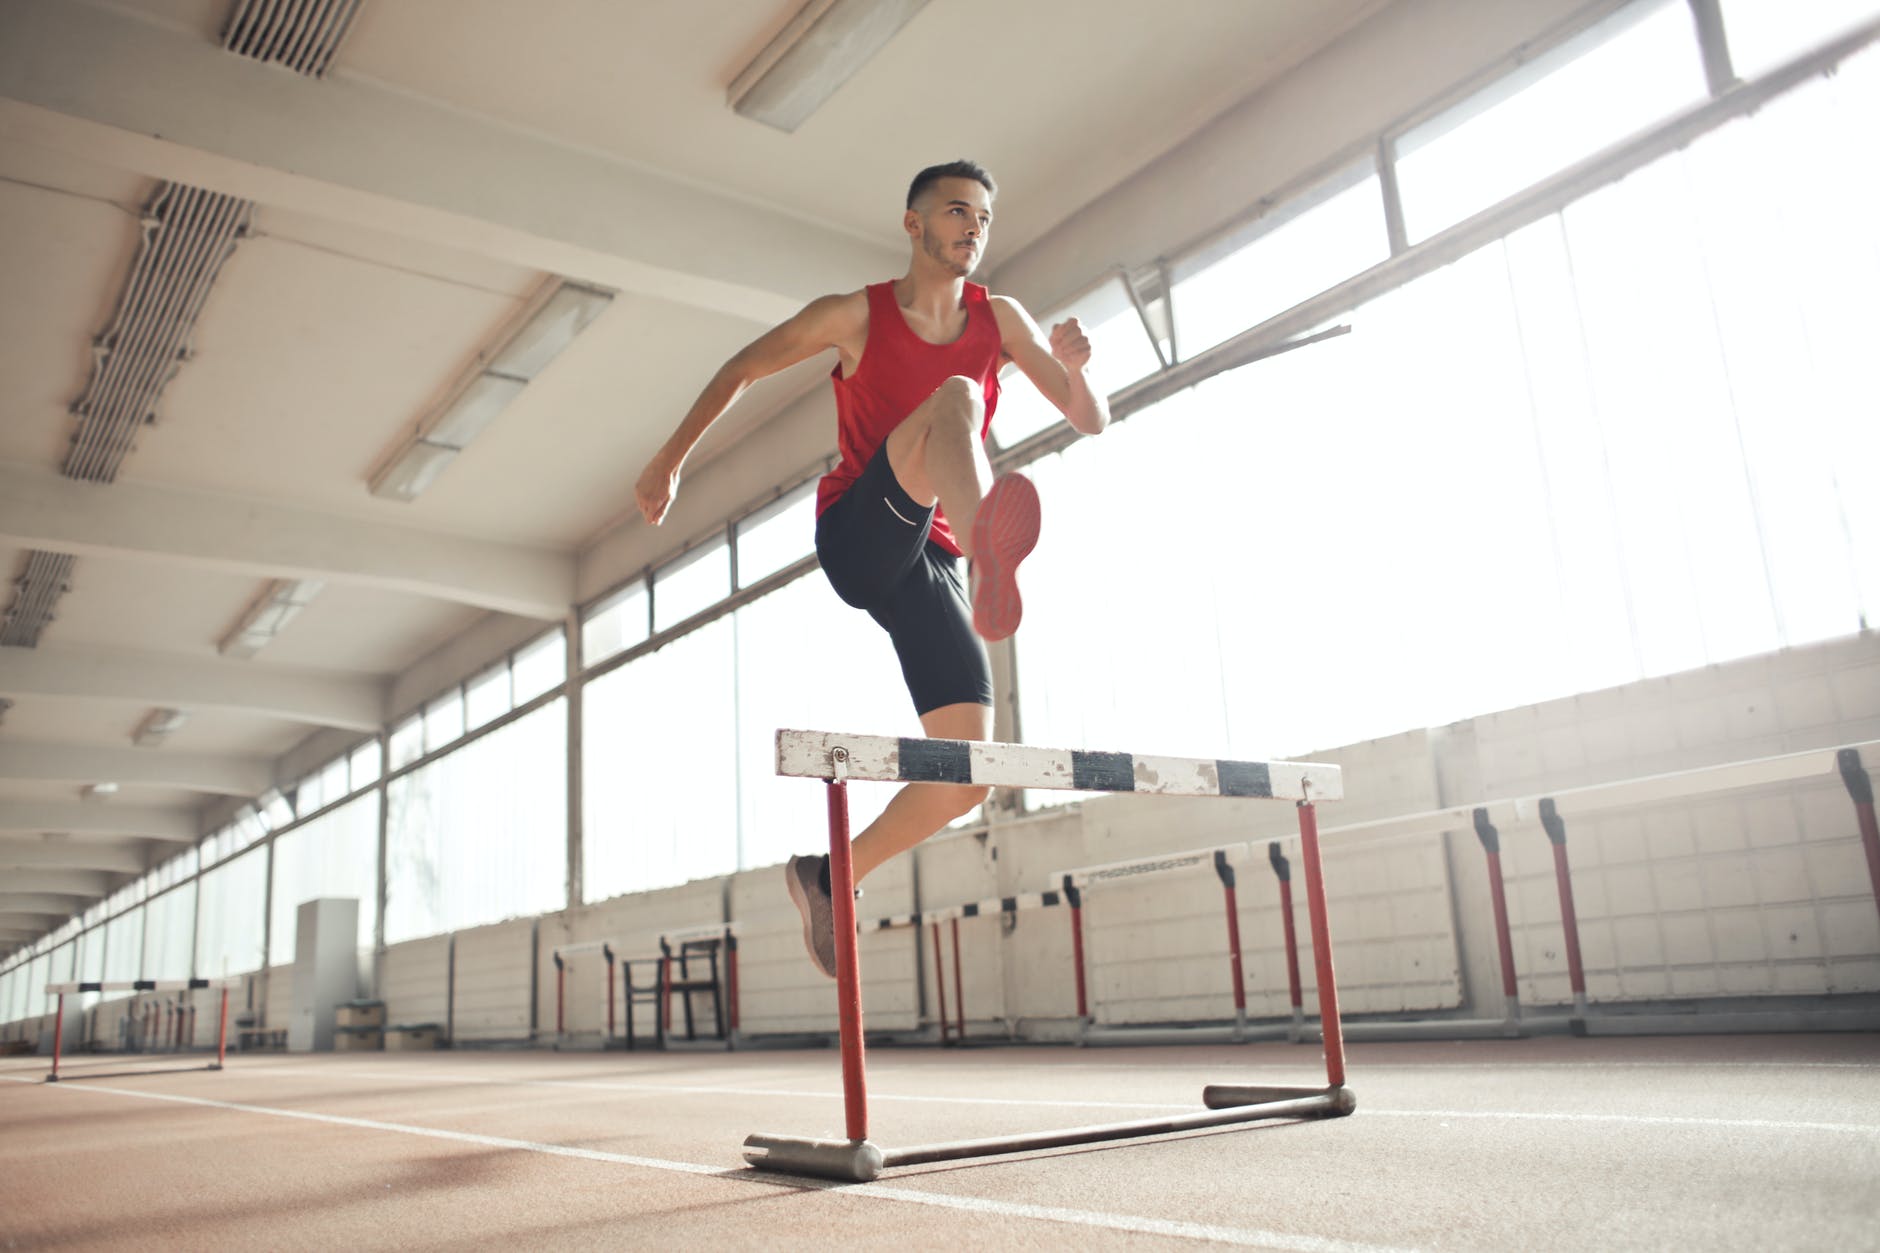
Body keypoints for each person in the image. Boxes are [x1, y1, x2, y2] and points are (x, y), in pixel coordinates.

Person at [634, 159, 1109, 976]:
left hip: (935, 566)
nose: (973, 228)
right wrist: (670, 458)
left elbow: (1087, 416)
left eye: (985, 219)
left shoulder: (1003, 317)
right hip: (862, 532)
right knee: (957, 399)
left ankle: (831, 875)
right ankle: (987, 532)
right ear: (913, 223)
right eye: (957, 212)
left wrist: (1077, 363)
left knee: (968, 776)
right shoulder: (857, 316)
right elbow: (743, 365)